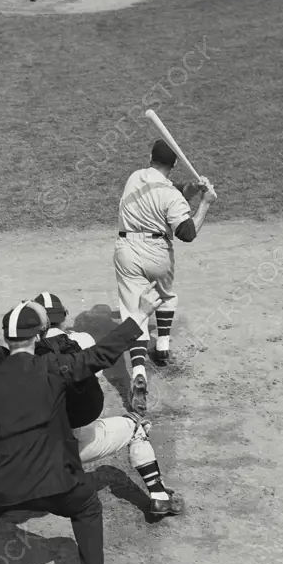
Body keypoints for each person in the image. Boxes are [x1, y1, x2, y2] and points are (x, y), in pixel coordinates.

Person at [0, 284, 165, 564]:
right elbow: (102, 353)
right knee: (87, 507)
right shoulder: (53, 367)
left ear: (7, 339)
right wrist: (139, 315)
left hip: (3, 481)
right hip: (55, 481)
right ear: (38, 336)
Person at [32, 291, 183, 516]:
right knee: (136, 427)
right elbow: (97, 371)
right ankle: (159, 497)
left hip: (34, 453)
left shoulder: (23, 356)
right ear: (64, 316)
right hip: (77, 443)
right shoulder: (82, 341)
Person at [115, 138, 218, 415]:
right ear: (173, 165)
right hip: (158, 253)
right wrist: (205, 203)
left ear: (150, 158)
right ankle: (162, 346)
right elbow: (187, 232)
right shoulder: (171, 195)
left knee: (135, 311)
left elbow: (169, 190)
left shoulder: (135, 177)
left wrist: (192, 190)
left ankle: (138, 371)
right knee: (165, 295)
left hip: (127, 251)